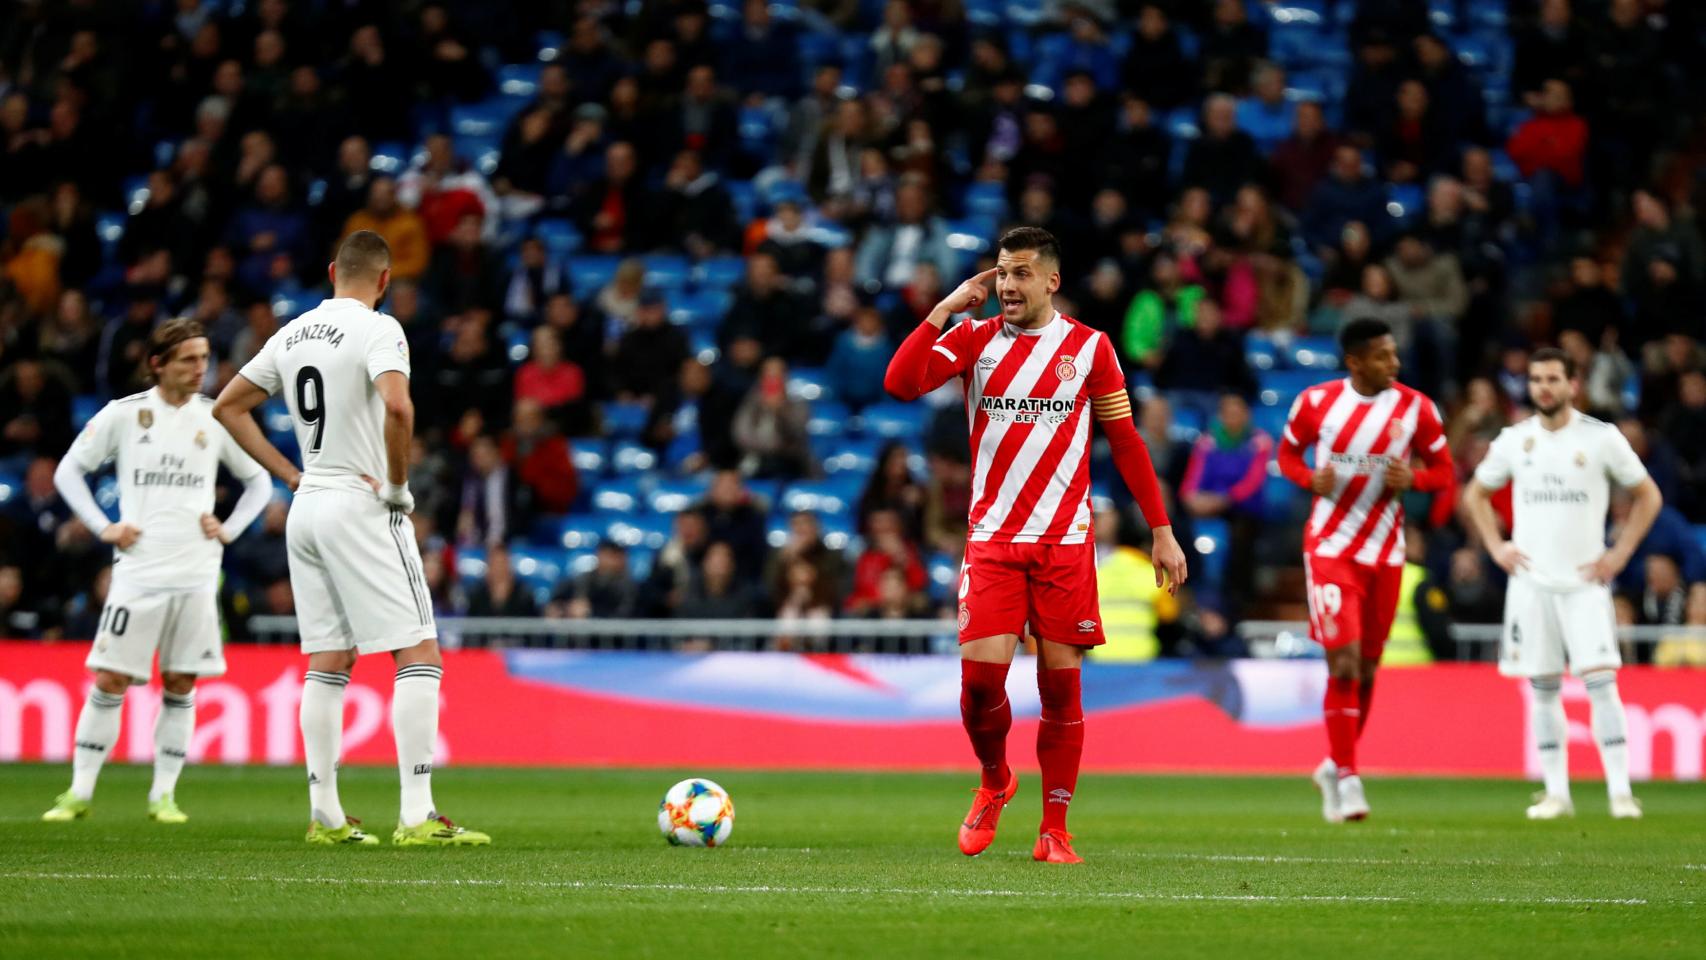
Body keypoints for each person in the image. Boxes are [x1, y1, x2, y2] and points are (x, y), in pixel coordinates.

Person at [883, 227, 1187, 864]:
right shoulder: (973, 340)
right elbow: (900, 383)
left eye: (1020, 273)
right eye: (1000, 273)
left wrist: (1160, 529)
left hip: (1064, 543)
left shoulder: (1091, 349)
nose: (1007, 285)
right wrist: (943, 308)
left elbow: (1126, 442)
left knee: (1061, 693)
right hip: (992, 539)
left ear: (1051, 281)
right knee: (978, 688)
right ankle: (995, 778)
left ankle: (1055, 830)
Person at [212, 230, 489, 846]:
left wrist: (289, 474)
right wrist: (396, 487)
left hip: (308, 505)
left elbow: (227, 407)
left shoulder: (293, 332)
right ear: (385, 280)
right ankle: (416, 815)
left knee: (329, 660)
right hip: (361, 504)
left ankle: (326, 816)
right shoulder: (380, 330)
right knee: (419, 652)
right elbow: (399, 409)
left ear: (333, 270)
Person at [41, 320, 273, 826]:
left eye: (205, 358)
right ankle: (78, 792)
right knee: (111, 677)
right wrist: (104, 527)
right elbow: (67, 472)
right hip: (139, 572)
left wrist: (228, 528)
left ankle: (163, 796)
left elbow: (259, 483)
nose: (200, 368)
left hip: (195, 572)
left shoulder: (215, 418)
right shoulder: (125, 416)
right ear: (158, 364)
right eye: (189, 359)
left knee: (182, 681)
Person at [1461, 348, 1662, 821]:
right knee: (1544, 690)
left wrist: (1621, 553)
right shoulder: (1514, 440)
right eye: (1535, 380)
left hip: (1584, 583)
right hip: (1531, 585)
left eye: (1552, 378)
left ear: (1573, 384)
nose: (1543, 388)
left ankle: (1619, 793)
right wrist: (1496, 546)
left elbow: (1648, 495)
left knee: (1602, 683)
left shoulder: (1601, 438)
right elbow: (1475, 493)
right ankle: (1557, 793)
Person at [1276, 318, 1455, 824]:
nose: (1393, 364)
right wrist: (1310, 478)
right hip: (1331, 547)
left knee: (1371, 669)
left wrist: (1415, 478)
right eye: (1382, 356)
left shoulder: (1416, 408)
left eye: (1394, 355)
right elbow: (1286, 455)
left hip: (1386, 552)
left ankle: (1335, 765)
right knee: (1346, 660)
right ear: (1355, 362)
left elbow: (1444, 472)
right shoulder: (1316, 403)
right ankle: (1351, 777)